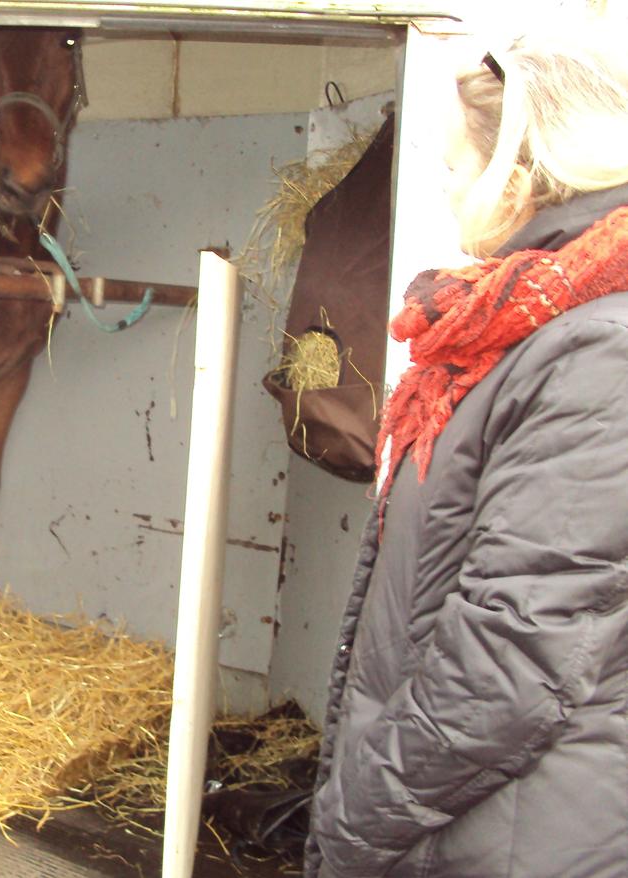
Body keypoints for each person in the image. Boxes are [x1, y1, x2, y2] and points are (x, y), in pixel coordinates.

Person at [306, 22, 628, 878]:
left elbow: (511, 664)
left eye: (454, 169)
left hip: (516, 835)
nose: (445, 195)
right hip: (470, 817)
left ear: (518, 177)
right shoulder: (525, 329)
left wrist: (349, 824)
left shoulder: (599, 354)